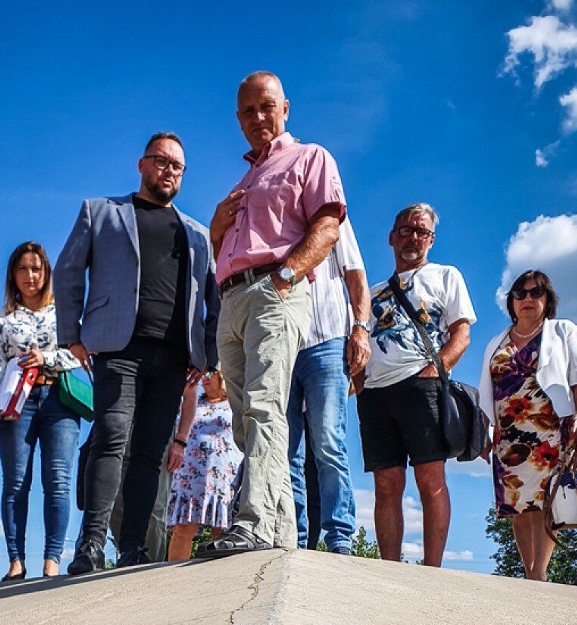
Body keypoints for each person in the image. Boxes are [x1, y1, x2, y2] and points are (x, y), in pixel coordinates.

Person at [54, 131, 219, 575]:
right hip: (116, 345)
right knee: (111, 435)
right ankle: (90, 544)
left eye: (177, 166)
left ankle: (133, 549)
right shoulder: (101, 212)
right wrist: (70, 334)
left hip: (172, 356)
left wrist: (207, 358)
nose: (168, 171)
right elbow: (68, 272)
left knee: (149, 453)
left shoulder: (197, 234)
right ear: (142, 164)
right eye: (161, 161)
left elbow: (213, 299)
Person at [199, 71, 346, 558]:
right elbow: (226, 249)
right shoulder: (243, 178)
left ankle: (255, 522)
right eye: (247, 111)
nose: (258, 118)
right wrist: (218, 229)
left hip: (273, 291)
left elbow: (327, 227)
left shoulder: (310, 157)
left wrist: (285, 277)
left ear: (285, 107)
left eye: (266, 107)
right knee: (245, 418)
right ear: (238, 120)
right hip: (232, 297)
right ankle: (280, 533)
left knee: (265, 405)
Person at [358, 203, 476, 567]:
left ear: (431, 239)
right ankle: (391, 567)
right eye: (406, 230)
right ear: (392, 237)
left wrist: (434, 369)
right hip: (376, 393)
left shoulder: (445, 276)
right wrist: (360, 385)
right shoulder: (372, 291)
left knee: (430, 478)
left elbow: (461, 333)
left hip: (422, 387)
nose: (413, 237)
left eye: (421, 231)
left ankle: (432, 570)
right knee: (386, 484)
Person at [0, 242, 82, 580]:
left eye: (36, 268)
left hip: (58, 400)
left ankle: (52, 560)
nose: (30, 275)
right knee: (16, 482)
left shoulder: (63, 310)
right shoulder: (4, 317)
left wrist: (47, 358)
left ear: (46, 272)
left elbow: (80, 354)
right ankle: (15, 562)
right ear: (12, 275)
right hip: (15, 404)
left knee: (58, 480)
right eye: (23, 269)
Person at [478, 270, 577, 582]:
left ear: (548, 299)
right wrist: (482, 434)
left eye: (536, 292)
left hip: (551, 431)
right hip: (508, 434)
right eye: (521, 293)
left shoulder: (564, 332)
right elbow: (488, 391)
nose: (528, 299)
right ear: (512, 301)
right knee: (517, 506)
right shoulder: (496, 343)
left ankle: (538, 574)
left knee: (546, 501)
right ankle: (528, 571)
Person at [287, 214, 371, 553]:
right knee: (287, 449)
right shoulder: (271, 216)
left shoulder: (333, 216)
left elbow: (356, 276)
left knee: (328, 442)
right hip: (283, 341)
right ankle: (292, 537)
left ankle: (339, 537)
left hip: (326, 338)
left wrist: (360, 330)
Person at [167, 370, 242, 560]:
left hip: (224, 479)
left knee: (223, 534)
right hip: (190, 479)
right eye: (204, 374)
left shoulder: (235, 403)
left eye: (211, 373)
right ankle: (170, 580)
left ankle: (220, 583)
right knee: (182, 530)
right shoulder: (192, 404)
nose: (205, 378)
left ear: (222, 376)